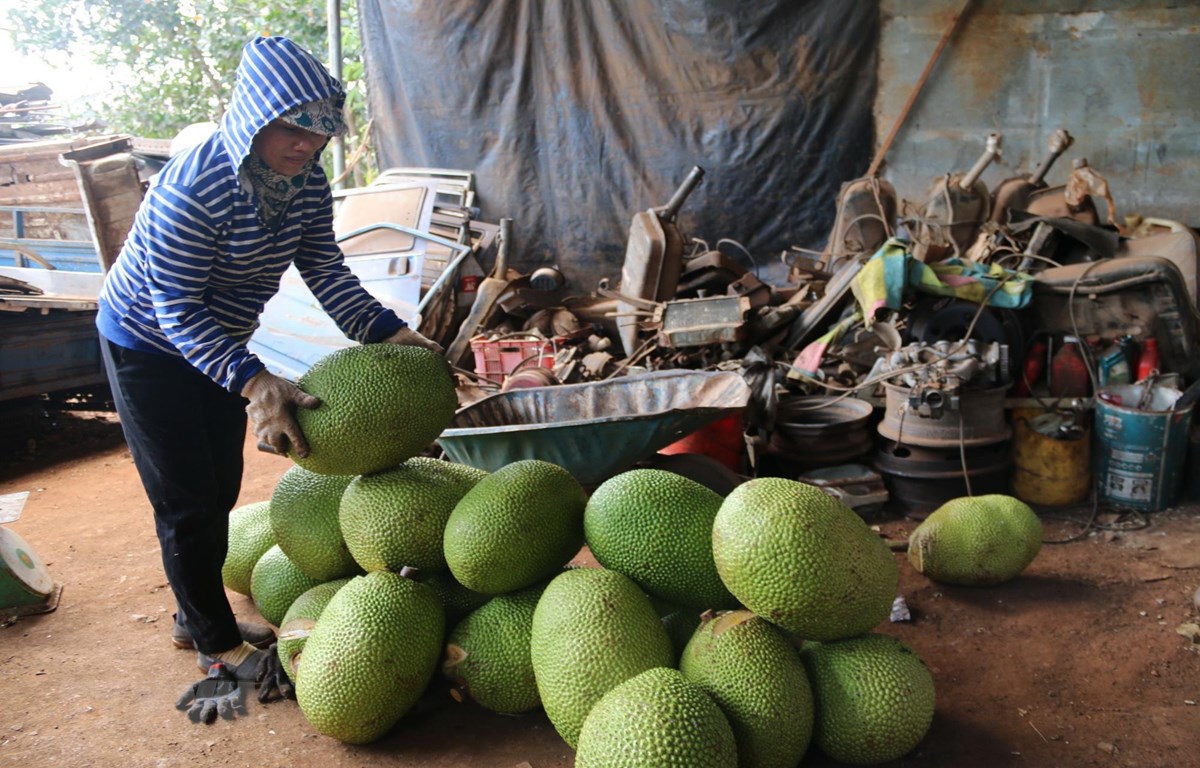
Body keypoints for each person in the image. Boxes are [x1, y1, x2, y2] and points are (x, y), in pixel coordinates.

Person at [96, 36, 441, 687]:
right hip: (146, 342)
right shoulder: (194, 190)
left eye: (318, 133)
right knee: (185, 498)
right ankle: (213, 641)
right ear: (256, 116)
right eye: (291, 128)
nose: (305, 145)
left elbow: (324, 268)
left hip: (220, 340)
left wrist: (390, 332)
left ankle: (191, 614)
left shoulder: (304, 182)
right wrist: (255, 382)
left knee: (219, 485)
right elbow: (175, 309)